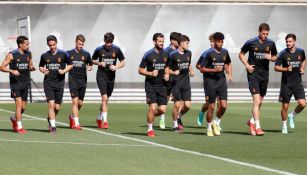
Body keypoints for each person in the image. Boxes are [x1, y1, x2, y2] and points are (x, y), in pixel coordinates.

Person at [239, 23, 278, 136]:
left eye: (267, 34)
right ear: (259, 32)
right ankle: (258, 127)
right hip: (253, 74)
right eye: (263, 33)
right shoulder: (251, 42)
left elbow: (275, 56)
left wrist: (271, 57)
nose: (265, 36)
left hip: (264, 75)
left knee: (260, 101)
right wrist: (247, 65)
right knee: (256, 101)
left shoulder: (271, 43)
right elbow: (241, 54)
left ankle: (251, 121)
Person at [196, 32, 232, 136]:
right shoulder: (208, 53)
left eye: (222, 42)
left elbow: (227, 63)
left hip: (221, 82)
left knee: (224, 106)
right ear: (214, 41)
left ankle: (215, 122)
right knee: (211, 107)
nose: (221, 43)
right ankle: (208, 128)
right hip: (210, 83)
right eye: (219, 41)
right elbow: (200, 68)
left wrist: (226, 69)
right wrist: (214, 70)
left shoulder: (225, 52)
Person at [0, 35, 35, 134]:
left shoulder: (29, 54)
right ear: (20, 44)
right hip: (15, 83)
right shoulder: (12, 54)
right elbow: (1, 67)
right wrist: (12, 70)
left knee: (23, 106)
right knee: (19, 104)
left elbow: (30, 65)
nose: (28, 45)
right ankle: (19, 126)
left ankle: (14, 118)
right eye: (26, 44)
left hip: (25, 83)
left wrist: (32, 67)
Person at [39, 35, 73, 133]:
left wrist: (64, 71)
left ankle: (50, 118)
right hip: (48, 83)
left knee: (57, 107)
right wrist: (43, 70)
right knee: (51, 104)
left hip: (59, 83)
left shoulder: (63, 54)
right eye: (50, 45)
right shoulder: (44, 56)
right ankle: (53, 126)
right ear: (48, 45)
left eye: (54, 45)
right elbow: (41, 66)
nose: (52, 47)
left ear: (56, 43)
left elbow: (70, 64)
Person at [138, 33, 169, 137]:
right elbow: (140, 70)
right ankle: (150, 129)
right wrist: (150, 73)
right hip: (150, 85)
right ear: (154, 42)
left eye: (162, 41)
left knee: (162, 109)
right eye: (159, 41)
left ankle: (151, 117)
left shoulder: (166, 54)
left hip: (162, 85)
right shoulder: (148, 54)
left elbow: (167, 67)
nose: (161, 43)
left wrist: (167, 74)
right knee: (152, 107)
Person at [92, 32, 125, 129]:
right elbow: (92, 60)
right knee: (104, 98)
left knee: (105, 100)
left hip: (111, 77)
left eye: (110, 42)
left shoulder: (117, 49)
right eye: (107, 42)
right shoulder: (99, 49)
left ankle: (99, 117)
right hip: (101, 75)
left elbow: (123, 62)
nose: (109, 44)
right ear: (104, 41)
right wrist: (99, 63)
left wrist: (116, 66)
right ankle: (105, 121)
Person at [274, 33, 306, 134]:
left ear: (294, 42)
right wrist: (286, 69)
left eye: (290, 41)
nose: (288, 43)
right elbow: (276, 67)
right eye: (287, 41)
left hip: (297, 83)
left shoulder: (301, 51)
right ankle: (284, 126)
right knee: (285, 106)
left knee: (302, 104)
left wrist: (302, 68)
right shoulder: (283, 53)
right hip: (286, 84)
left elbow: (304, 60)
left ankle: (292, 115)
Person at [168, 35, 194, 132]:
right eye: (187, 43)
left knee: (187, 106)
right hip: (176, 83)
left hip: (186, 83)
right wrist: (173, 72)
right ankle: (175, 125)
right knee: (177, 105)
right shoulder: (172, 55)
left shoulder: (189, 53)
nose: (188, 45)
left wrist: (191, 71)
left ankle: (178, 117)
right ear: (181, 43)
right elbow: (167, 69)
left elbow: (188, 64)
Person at [67, 34, 92, 130]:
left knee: (80, 103)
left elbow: (90, 63)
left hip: (83, 81)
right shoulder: (69, 53)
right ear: (75, 42)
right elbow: (62, 62)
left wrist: (90, 67)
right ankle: (76, 123)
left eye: (82, 44)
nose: (81, 46)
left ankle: (72, 116)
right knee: (75, 101)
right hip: (73, 81)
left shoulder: (86, 54)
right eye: (79, 44)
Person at [159, 32, 181, 129]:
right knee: (165, 101)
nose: (180, 42)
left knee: (178, 102)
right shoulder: (166, 51)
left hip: (177, 81)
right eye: (178, 40)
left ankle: (176, 123)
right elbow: (164, 67)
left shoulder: (180, 51)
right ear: (172, 41)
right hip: (167, 80)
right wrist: (171, 73)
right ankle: (162, 119)